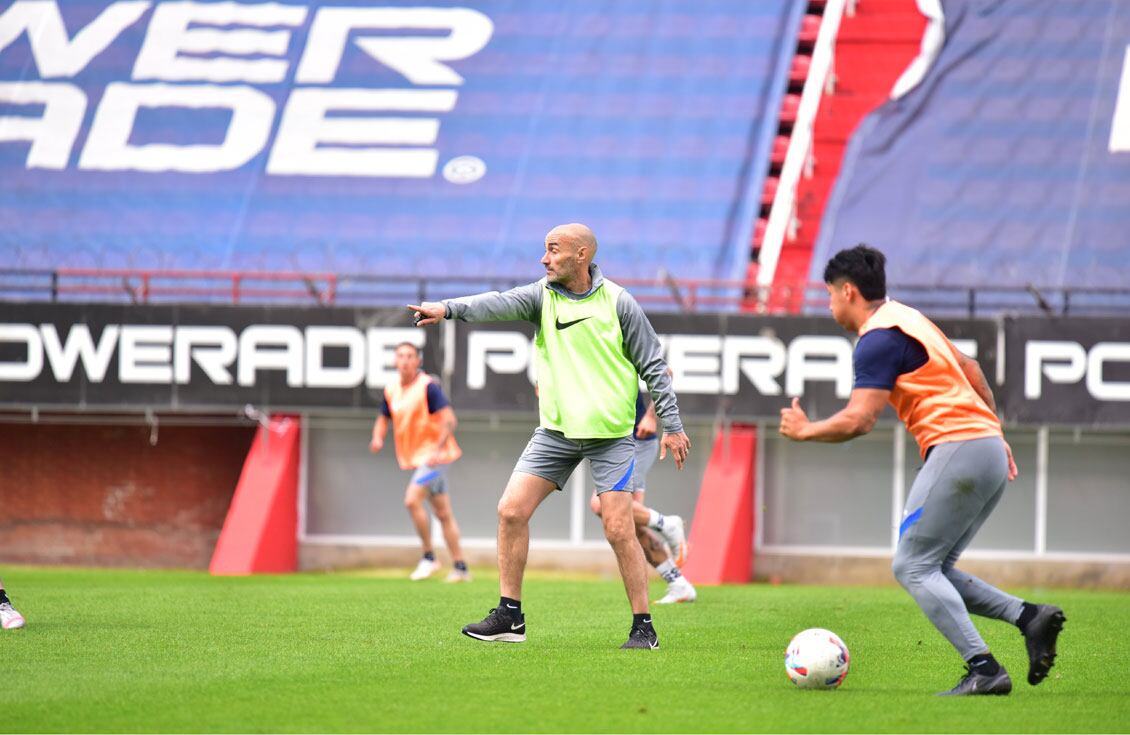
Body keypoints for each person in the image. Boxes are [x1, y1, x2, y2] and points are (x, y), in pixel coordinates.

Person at [778, 244, 1065, 696]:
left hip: (960, 446)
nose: (830, 304)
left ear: (848, 291)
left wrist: (806, 431)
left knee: (911, 566)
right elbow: (969, 368)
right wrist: (994, 434)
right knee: (936, 568)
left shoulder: (877, 338)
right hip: (984, 447)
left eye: (830, 294)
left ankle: (984, 668)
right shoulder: (909, 318)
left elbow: (860, 419)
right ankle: (1029, 618)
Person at [409, 223, 691, 649]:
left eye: (553, 250)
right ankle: (510, 617)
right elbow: (496, 304)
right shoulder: (542, 295)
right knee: (510, 511)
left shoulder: (619, 303)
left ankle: (643, 627)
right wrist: (447, 309)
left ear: (581, 255)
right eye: (545, 251)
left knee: (618, 528)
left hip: (611, 436)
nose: (544, 259)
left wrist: (672, 425)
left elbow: (654, 365)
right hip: (556, 433)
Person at [370, 342, 470, 582]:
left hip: (436, 459)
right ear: (395, 361)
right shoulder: (392, 389)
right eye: (401, 356)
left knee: (412, 499)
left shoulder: (428, 387)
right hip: (421, 459)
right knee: (443, 513)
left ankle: (429, 557)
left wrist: (437, 450)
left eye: (410, 356)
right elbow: (383, 418)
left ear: (418, 361)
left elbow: (449, 420)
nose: (405, 360)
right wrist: (377, 437)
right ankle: (461, 568)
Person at [589, 389, 696, 604]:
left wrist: (650, 415)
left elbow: (665, 373)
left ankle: (667, 524)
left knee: (600, 504)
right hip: (620, 442)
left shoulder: (618, 354)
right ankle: (678, 584)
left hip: (634, 440)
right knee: (632, 528)